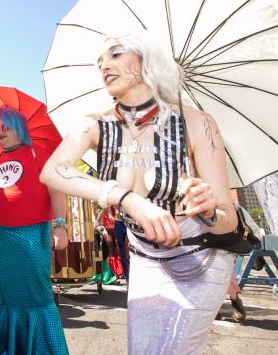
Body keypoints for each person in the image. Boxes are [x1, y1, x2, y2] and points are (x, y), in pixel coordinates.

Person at [40, 32, 239, 354]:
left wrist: (208, 210)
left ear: (148, 59)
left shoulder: (196, 123)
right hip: (145, 258)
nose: (105, 65)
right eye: (100, 61)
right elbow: (52, 171)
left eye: (116, 54)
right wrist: (124, 197)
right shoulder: (95, 125)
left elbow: (227, 220)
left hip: (200, 257)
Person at [0, 105, 69, 354]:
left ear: (19, 128)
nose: (0, 132)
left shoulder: (40, 153)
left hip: (33, 233)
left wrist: (60, 225)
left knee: (36, 294)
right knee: (9, 296)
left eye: (6, 127)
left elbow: (57, 190)